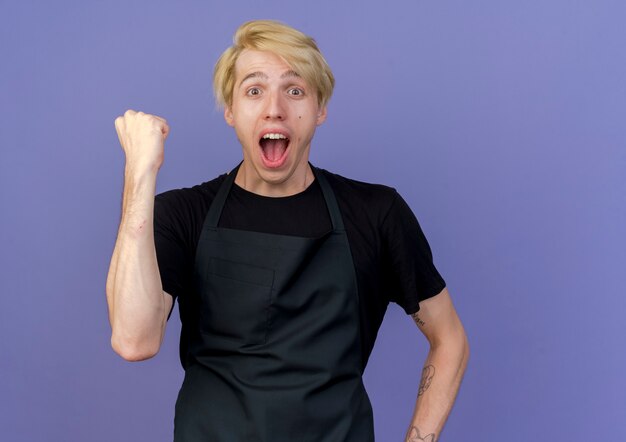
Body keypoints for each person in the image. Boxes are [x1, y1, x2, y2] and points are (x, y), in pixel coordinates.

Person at [106, 19, 469, 442]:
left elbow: (450, 339)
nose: (274, 108)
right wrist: (140, 173)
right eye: (254, 90)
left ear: (319, 110)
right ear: (231, 111)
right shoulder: (184, 215)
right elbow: (134, 340)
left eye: (294, 90)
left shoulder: (376, 213)